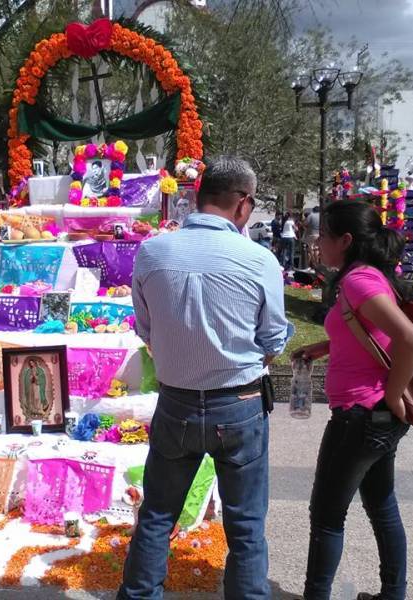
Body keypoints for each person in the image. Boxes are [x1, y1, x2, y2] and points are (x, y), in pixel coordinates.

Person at [119, 156, 291, 599]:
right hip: (240, 403)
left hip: (176, 402)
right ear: (243, 205)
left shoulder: (153, 251)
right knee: (247, 527)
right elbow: (272, 338)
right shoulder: (259, 260)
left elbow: (146, 329)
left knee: (157, 514)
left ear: (198, 196)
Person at [293, 200, 413, 600]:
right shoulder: (367, 276)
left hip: (359, 415)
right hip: (374, 414)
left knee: (327, 516)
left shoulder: (357, 281)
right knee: (382, 505)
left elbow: (409, 338)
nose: (318, 242)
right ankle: (392, 594)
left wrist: (396, 393)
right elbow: (369, 333)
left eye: (324, 235)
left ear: (346, 240)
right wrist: (323, 347)